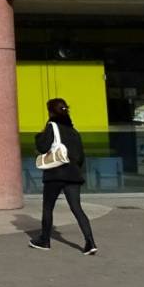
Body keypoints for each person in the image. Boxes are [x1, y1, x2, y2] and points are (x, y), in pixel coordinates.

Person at [30, 97, 98, 255]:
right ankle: (90, 242)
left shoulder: (52, 126)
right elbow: (80, 156)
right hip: (73, 174)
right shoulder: (74, 131)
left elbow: (43, 147)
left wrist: (38, 136)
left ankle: (44, 240)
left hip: (55, 173)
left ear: (51, 112)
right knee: (77, 208)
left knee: (48, 207)